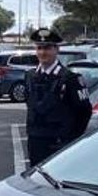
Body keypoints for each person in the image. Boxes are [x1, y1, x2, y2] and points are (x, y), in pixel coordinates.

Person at [24, 27, 91, 165]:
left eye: (47, 48)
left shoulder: (70, 78)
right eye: (39, 48)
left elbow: (85, 111)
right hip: (35, 142)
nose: (43, 52)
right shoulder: (30, 76)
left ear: (56, 50)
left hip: (59, 144)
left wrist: (71, 139)